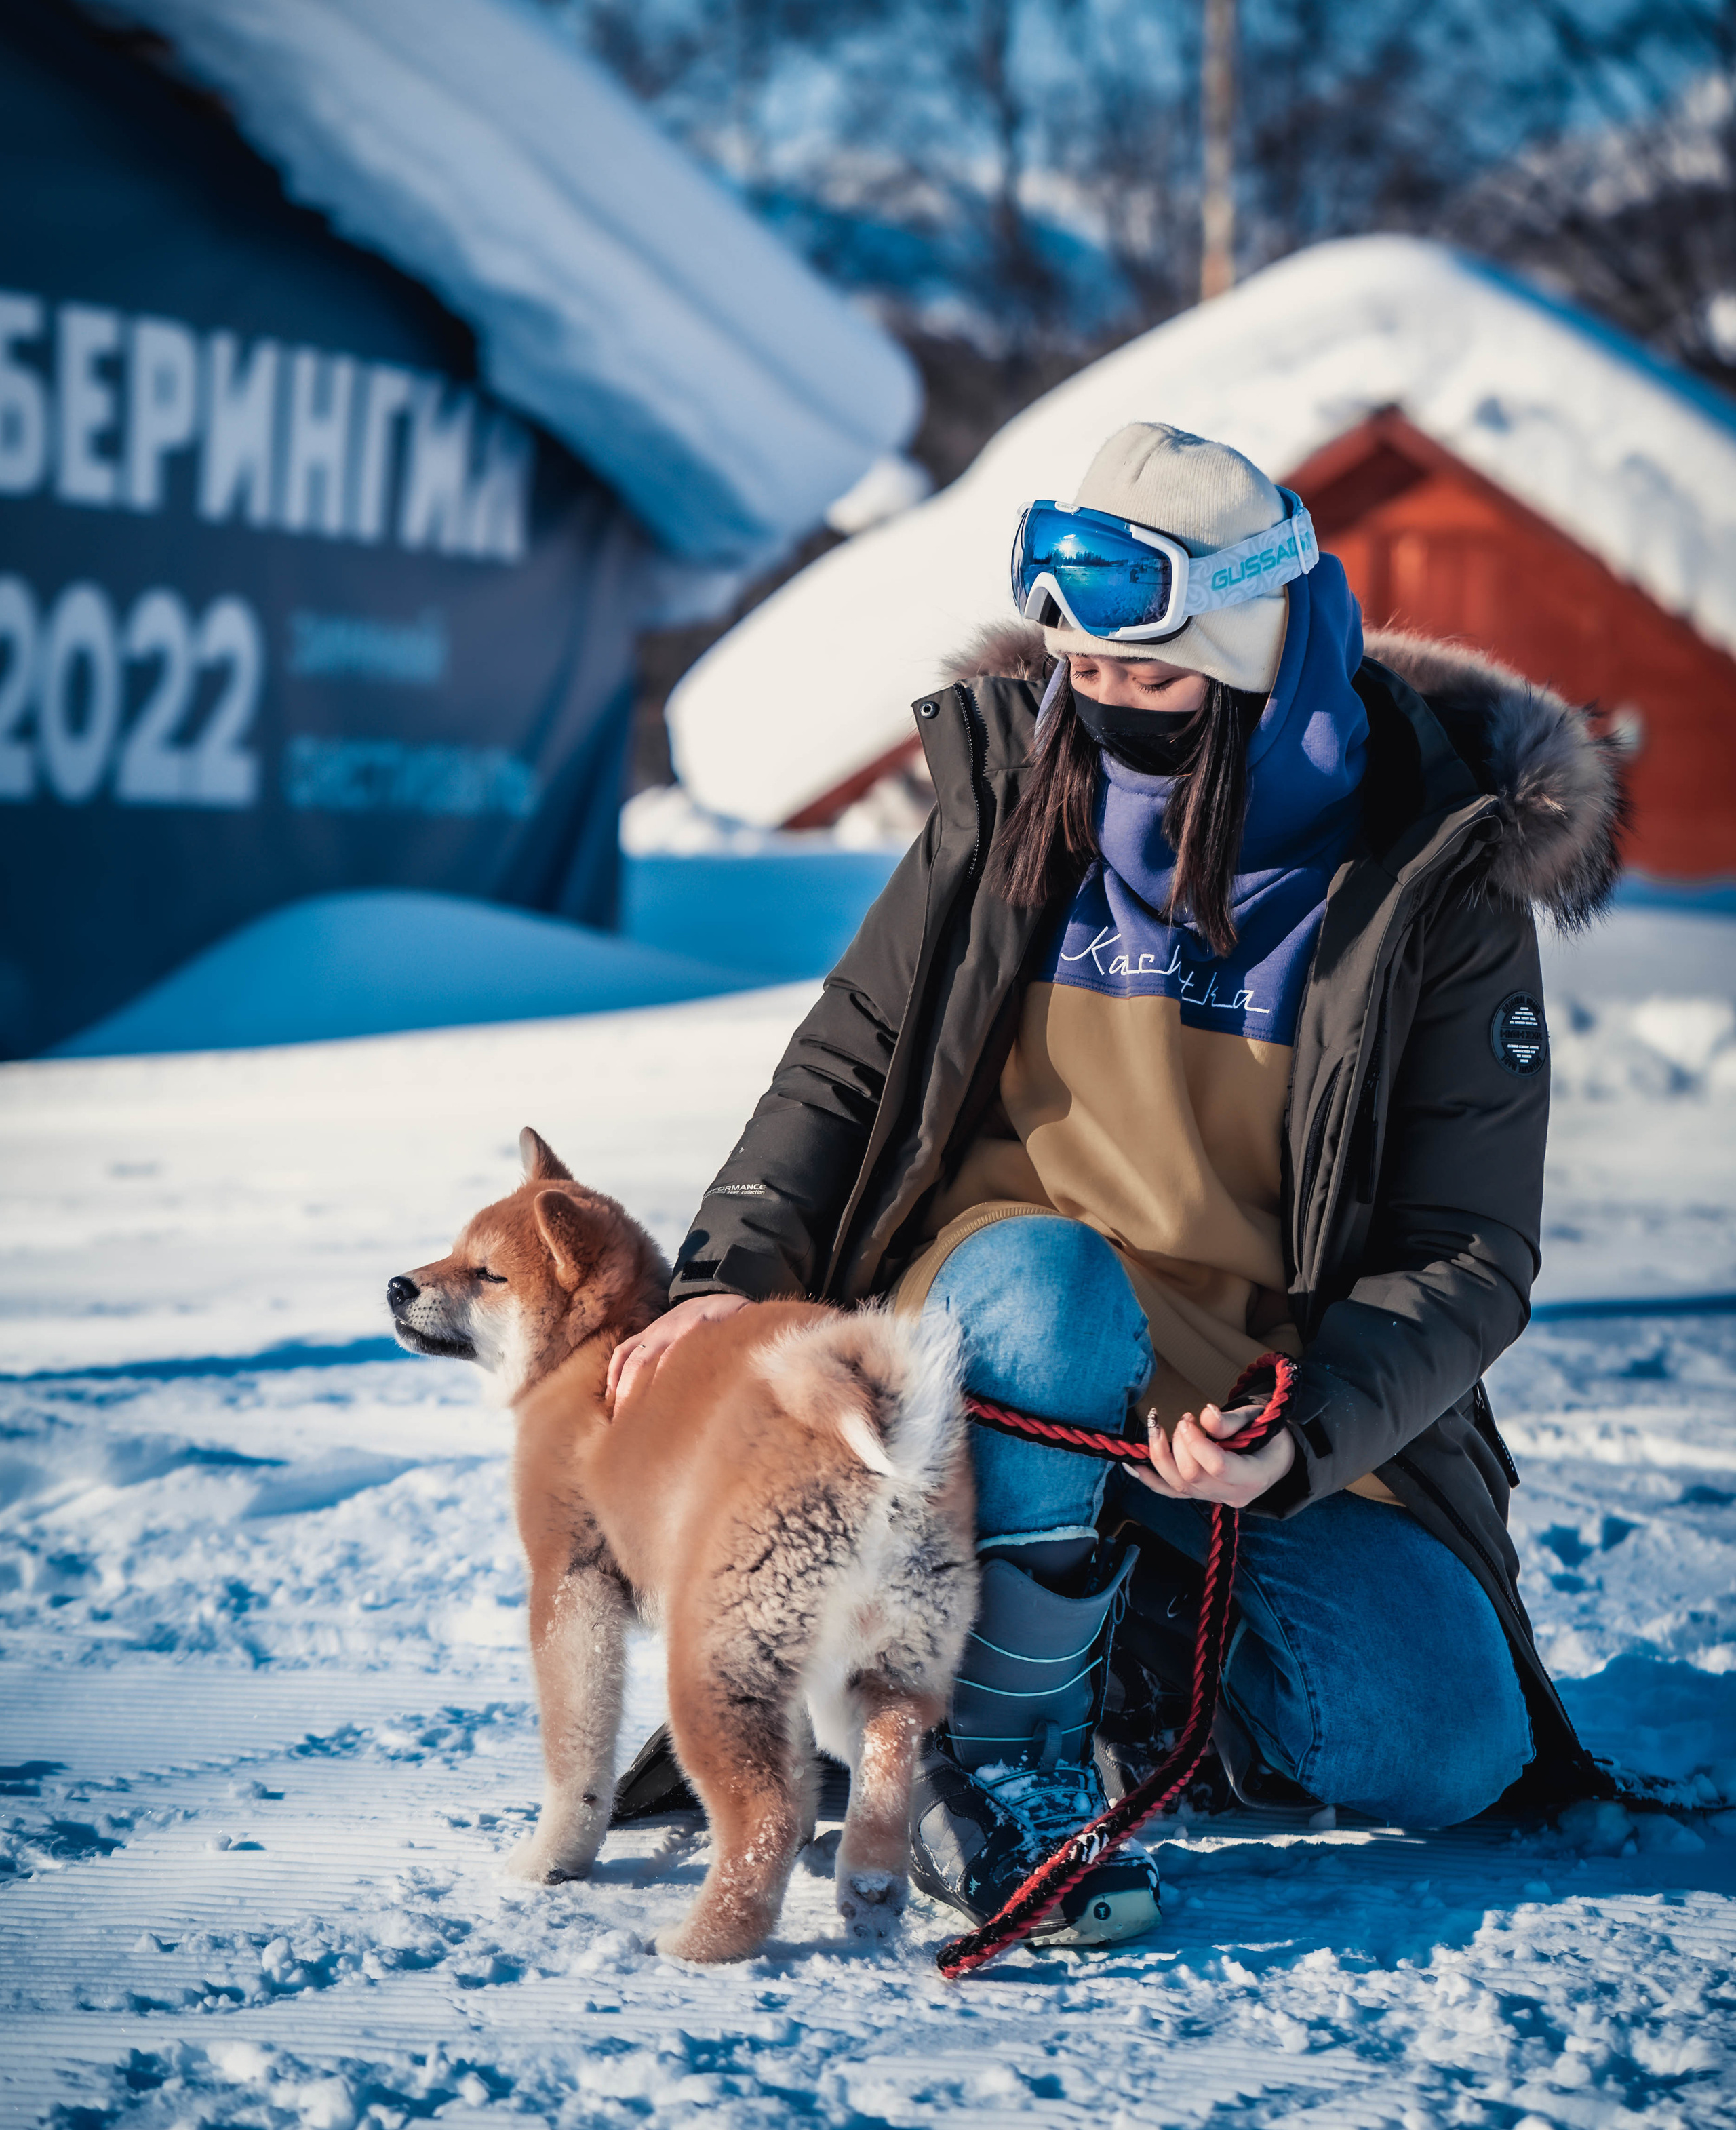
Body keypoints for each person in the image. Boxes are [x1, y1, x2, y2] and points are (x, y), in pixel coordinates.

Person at [609, 423, 1621, 1948]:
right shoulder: (1013, 791)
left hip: (1233, 1424)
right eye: (1078, 671)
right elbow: (842, 1065)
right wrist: (725, 1284)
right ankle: (993, 1760)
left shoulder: (1429, 873)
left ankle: (1094, 1654)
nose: (1099, 710)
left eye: (1148, 681)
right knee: (1054, 1284)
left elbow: (1462, 1248)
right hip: (997, 1343)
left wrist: (1301, 1431)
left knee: (1442, 1741)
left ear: (1259, 669)